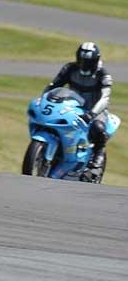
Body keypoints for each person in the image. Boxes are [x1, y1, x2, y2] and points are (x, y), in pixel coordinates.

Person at [44, 42, 112, 180]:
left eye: (88, 61)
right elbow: (54, 85)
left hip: (96, 110)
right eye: (81, 60)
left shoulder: (103, 75)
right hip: (72, 107)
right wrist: (45, 99)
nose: (84, 64)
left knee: (98, 128)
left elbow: (105, 98)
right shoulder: (69, 68)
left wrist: (92, 114)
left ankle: (97, 160)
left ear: (96, 60)